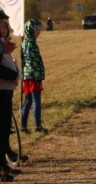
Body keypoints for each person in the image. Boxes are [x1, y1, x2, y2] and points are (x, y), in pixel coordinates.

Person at [0, 12, 22, 181]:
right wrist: (12, 76)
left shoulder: (2, 43)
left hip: (6, 90)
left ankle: (4, 164)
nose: (4, 27)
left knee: (5, 129)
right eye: (1, 24)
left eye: (5, 24)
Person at [20, 19, 47, 134]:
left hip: (27, 76)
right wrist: (38, 75)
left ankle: (23, 127)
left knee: (28, 101)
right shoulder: (31, 43)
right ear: (31, 30)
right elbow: (33, 62)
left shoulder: (25, 41)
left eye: (40, 29)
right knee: (36, 101)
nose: (39, 32)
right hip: (33, 76)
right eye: (37, 29)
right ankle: (38, 126)